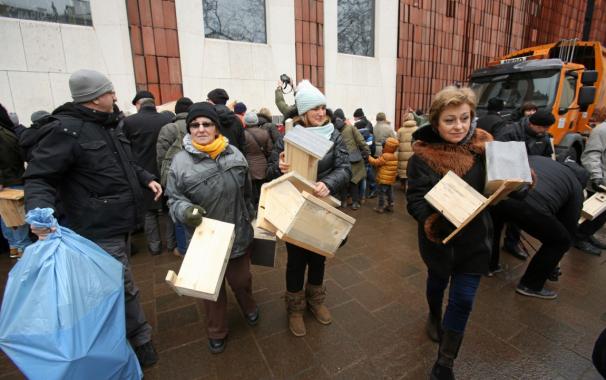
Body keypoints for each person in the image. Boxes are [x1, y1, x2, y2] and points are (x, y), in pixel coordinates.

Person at [22, 69, 162, 368]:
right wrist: (39, 212)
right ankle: (138, 339)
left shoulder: (110, 125)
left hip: (121, 221)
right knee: (120, 285)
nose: (115, 96)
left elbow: (124, 164)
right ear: (97, 97)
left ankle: (126, 337)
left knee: (116, 284)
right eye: (111, 91)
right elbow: (39, 177)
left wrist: (145, 177)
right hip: (97, 228)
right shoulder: (65, 131)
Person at [406, 86, 493, 380]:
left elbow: (498, 190)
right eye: (450, 120)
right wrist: (432, 222)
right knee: (437, 282)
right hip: (439, 242)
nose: (459, 126)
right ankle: (433, 313)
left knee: (464, 299)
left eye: (465, 118)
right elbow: (415, 199)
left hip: (475, 242)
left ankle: (445, 362)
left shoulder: (485, 149)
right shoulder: (422, 157)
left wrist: (517, 184)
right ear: (436, 122)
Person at [166, 102, 258, 354]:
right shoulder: (180, 163)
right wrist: (185, 211)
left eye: (207, 124)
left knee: (241, 281)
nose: (201, 129)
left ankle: (249, 307)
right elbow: (173, 199)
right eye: (195, 125)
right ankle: (217, 331)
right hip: (204, 240)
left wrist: (252, 219)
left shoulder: (235, 154)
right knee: (211, 292)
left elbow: (247, 193)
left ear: (216, 128)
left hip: (237, 234)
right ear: (189, 129)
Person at [267, 80, 351, 337]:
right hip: (295, 206)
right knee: (295, 260)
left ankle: (315, 300)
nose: (320, 112)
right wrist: (279, 168)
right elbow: (271, 172)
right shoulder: (289, 137)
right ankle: (295, 308)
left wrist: (328, 182)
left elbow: (345, 168)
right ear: (303, 112)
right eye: (314, 108)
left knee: (318, 256)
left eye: (323, 107)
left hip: (321, 206)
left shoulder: (334, 135)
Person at [490, 156, 584, 299]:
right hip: (532, 205)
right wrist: (551, 262)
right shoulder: (576, 185)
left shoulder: (543, 160)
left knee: (496, 222)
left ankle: (488, 265)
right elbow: (568, 225)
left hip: (503, 192)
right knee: (560, 241)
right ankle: (530, 285)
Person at [124, 90, 173, 255]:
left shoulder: (129, 122)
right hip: (167, 171)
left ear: (138, 105)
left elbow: (125, 151)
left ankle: (155, 247)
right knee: (169, 209)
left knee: (149, 212)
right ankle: (172, 244)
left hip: (143, 174)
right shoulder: (167, 118)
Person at [156, 96, 193, 257]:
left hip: (175, 177)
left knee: (178, 213)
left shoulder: (168, 128)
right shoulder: (196, 125)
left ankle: (183, 249)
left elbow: (161, 156)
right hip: (194, 176)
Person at [0, 103, 32, 258]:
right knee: (16, 215)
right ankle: (22, 246)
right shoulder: (7, 132)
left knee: (7, 215)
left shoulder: (4, 132)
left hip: (8, 180)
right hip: (13, 178)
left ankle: (16, 246)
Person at [576, 113, 606, 255]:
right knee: (592, 212)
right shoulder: (602, 130)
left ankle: (587, 234)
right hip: (600, 181)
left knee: (602, 215)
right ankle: (579, 237)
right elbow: (591, 155)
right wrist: (597, 178)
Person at [334, 108, 369, 210]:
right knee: (354, 182)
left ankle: (344, 202)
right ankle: (354, 203)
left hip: (341, 159)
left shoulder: (334, 130)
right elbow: (360, 140)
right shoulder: (351, 128)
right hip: (354, 159)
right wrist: (367, 151)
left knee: (344, 182)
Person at [242, 111, 272, 209]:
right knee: (263, 190)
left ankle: (254, 209)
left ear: (245, 122)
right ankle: (263, 209)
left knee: (252, 191)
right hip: (263, 164)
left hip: (249, 164)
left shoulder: (243, 134)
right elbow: (269, 150)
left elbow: (242, 150)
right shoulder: (265, 132)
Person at [206, 88, 246, 154]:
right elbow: (242, 144)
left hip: (213, 158)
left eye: (208, 100)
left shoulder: (208, 117)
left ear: (211, 101)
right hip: (234, 158)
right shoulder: (237, 119)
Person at [369, 137, 398, 213]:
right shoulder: (394, 156)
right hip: (390, 180)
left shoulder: (385, 156)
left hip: (383, 179)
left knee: (381, 193)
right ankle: (390, 206)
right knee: (390, 193)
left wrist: (369, 157)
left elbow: (376, 162)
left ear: (387, 147)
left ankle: (380, 207)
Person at [396, 113, 418, 192]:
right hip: (413, 152)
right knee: (411, 169)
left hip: (402, 153)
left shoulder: (400, 130)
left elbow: (396, 142)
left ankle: (402, 185)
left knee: (403, 169)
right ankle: (410, 186)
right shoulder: (417, 129)